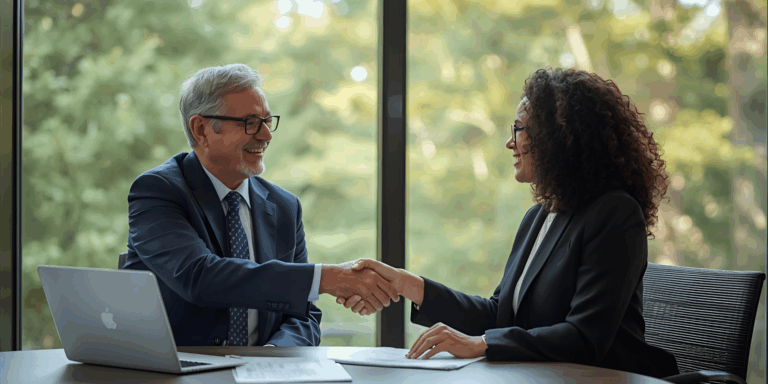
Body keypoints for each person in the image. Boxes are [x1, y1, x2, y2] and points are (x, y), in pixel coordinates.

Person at [339, 68, 680, 378]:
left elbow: (584, 336)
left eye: (518, 129)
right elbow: (500, 315)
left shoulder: (615, 214)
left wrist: (482, 344)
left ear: (556, 137)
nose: (509, 142)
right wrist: (408, 285)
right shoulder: (540, 216)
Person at [123, 64, 398, 347]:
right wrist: (325, 278)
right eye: (250, 123)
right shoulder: (158, 191)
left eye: (267, 121)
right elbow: (200, 277)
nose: (266, 135)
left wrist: (272, 358)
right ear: (201, 129)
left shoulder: (284, 207)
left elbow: (303, 317)